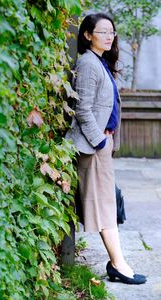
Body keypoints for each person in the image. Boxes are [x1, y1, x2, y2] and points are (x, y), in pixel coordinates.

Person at [66, 13, 146, 284]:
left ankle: (118, 262)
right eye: (102, 32)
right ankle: (119, 264)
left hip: (101, 144)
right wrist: (100, 141)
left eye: (111, 32)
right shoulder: (88, 63)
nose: (109, 36)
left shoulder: (99, 62)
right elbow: (83, 109)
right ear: (88, 35)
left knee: (107, 205)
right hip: (93, 146)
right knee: (103, 206)